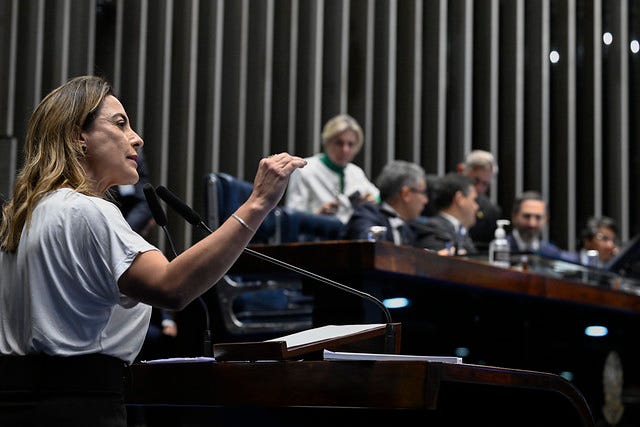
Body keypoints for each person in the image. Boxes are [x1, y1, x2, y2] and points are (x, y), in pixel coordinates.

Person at [0, 75, 306, 426]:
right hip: (78, 404)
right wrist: (258, 204)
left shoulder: (21, 217)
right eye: (120, 124)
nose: (137, 138)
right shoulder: (86, 210)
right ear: (76, 136)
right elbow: (171, 286)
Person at [284, 114, 379, 224]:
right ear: (327, 142)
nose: (345, 150)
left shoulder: (355, 172)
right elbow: (292, 218)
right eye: (339, 143)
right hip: (317, 233)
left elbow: (378, 197)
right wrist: (317, 216)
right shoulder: (304, 169)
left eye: (351, 144)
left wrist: (371, 200)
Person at [342, 160, 428, 245]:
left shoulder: (410, 229)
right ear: (406, 194)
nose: (426, 200)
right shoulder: (367, 215)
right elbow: (370, 248)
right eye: (423, 193)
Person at [413, 172, 479, 255]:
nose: (476, 207)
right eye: (474, 200)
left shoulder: (462, 233)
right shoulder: (431, 230)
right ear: (460, 198)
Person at [507, 190, 578, 262]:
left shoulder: (550, 253)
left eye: (538, 217)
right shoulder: (502, 249)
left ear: (546, 219)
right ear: (514, 217)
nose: (532, 224)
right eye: (527, 216)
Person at [456, 150, 502, 252]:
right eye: (475, 181)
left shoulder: (490, 211)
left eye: (485, 184)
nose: (479, 188)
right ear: (462, 172)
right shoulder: (441, 194)